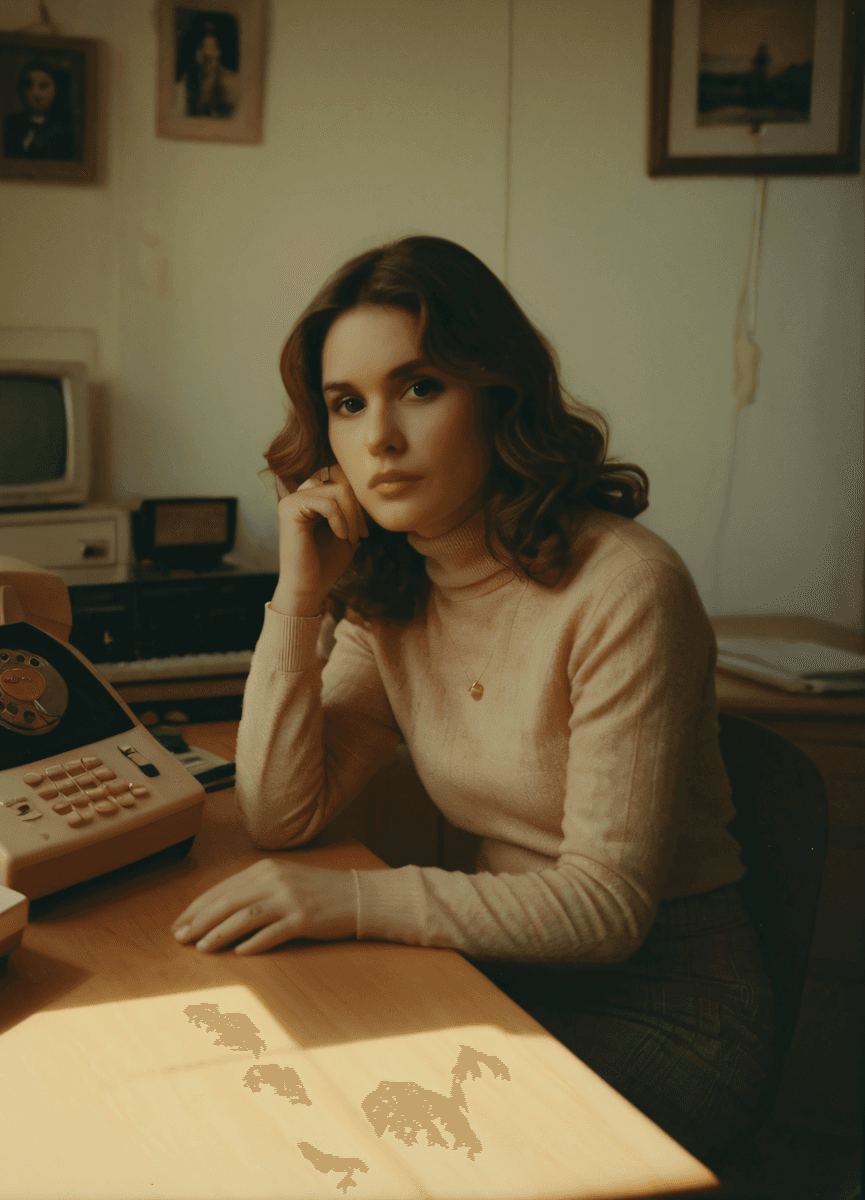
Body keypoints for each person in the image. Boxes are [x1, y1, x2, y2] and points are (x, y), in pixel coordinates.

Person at [171, 235, 775, 1168]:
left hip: (670, 1008)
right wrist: (300, 599)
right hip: (499, 979)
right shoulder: (397, 592)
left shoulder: (625, 587)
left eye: (419, 388)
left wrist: (350, 900)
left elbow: (606, 910)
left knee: (390, 1156)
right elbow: (280, 813)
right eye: (346, 404)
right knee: (267, 1108)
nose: (378, 438)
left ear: (499, 395)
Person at [3, 59, 74, 160]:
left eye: (43, 86)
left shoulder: (66, 130)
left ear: (56, 89)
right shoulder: (10, 124)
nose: (34, 92)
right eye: (28, 85)